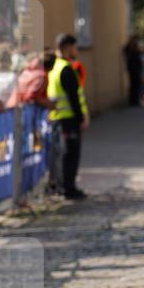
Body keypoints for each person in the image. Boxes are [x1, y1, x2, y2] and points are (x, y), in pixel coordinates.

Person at [47, 33, 89, 199]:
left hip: (57, 118)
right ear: (67, 48)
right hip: (69, 119)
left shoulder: (54, 67)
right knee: (70, 154)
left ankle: (60, 185)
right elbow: (73, 98)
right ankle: (68, 188)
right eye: (74, 47)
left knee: (60, 154)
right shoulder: (66, 69)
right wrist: (81, 119)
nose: (76, 50)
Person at [123, 34, 143, 106]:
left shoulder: (133, 48)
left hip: (135, 68)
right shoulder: (130, 48)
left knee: (136, 84)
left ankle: (135, 100)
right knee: (134, 85)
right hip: (133, 69)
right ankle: (134, 101)